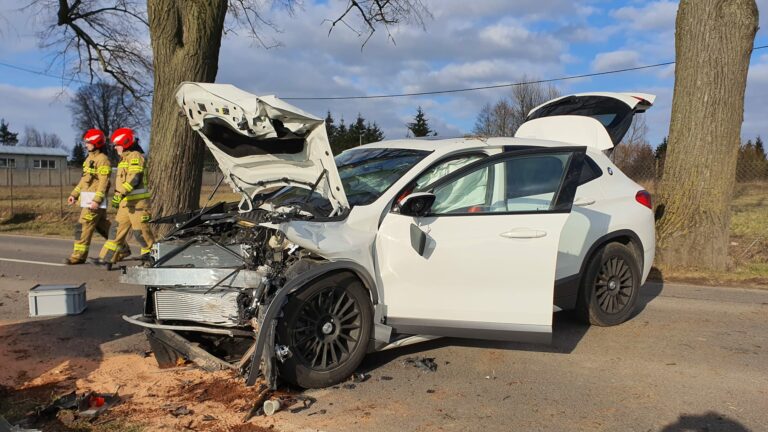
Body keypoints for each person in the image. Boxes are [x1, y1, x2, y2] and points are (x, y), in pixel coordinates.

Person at [95, 128, 154, 268]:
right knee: (115, 231)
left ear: (126, 143)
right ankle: (107, 258)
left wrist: (120, 194)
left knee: (141, 233)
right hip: (126, 203)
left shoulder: (135, 156)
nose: (115, 148)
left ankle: (150, 259)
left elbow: (135, 178)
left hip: (138, 204)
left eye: (117, 144)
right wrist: (119, 196)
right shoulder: (124, 159)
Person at [64, 129, 113, 265]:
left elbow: (104, 182)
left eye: (88, 143)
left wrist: (97, 200)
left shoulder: (102, 160)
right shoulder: (89, 159)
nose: (86, 145)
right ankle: (122, 247)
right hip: (88, 199)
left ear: (96, 143)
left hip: (93, 201)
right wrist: (74, 194)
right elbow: (84, 180)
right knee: (102, 226)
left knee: (83, 226)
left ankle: (78, 256)